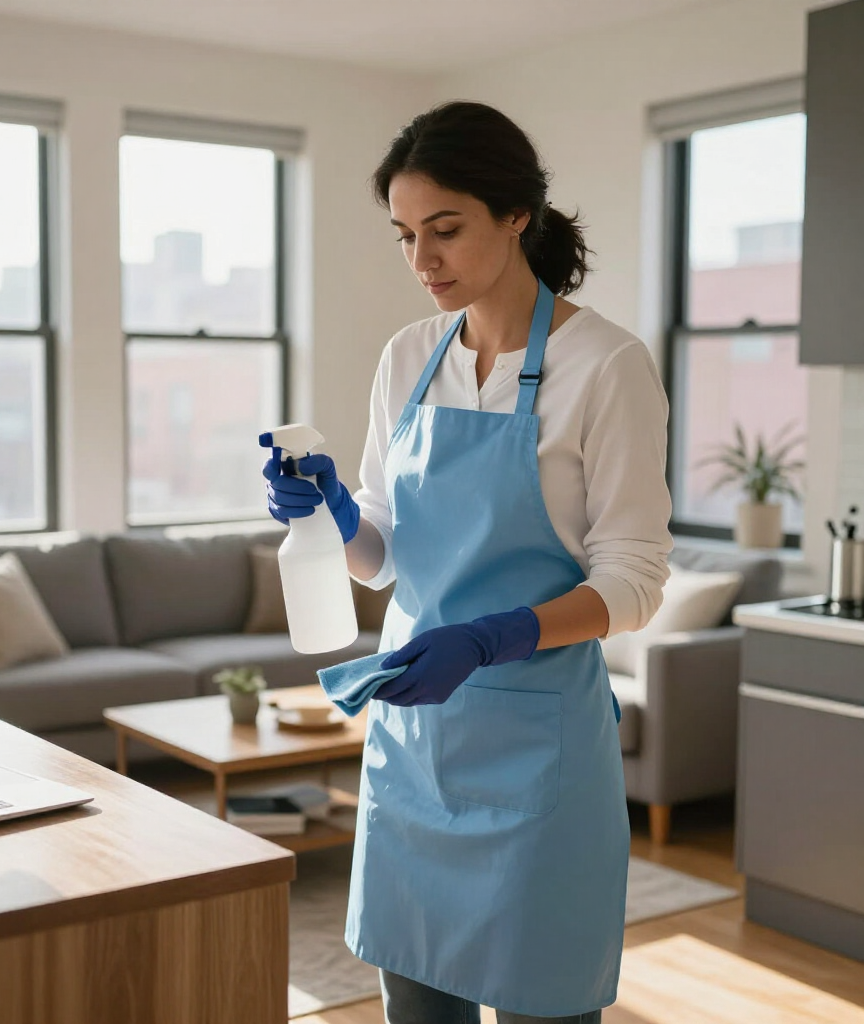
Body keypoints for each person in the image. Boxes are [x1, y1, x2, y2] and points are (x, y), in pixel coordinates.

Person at [262, 100, 673, 1024]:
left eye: (445, 230)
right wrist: (333, 513)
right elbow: (384, 556)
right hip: (415, 746)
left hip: (539, 762)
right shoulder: (410, 355)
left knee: (544, 1007)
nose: (422, 260)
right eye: (405, 235)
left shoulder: (607, 366)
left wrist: (493, 638)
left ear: (517, 213)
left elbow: (636, 581)